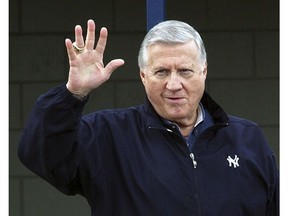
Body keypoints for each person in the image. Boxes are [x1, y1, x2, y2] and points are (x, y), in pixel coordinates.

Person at [18, 19, 279, 216]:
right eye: (162, 72)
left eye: (185, 71)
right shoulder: (107, 135)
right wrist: (72, 94)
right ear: (143, 76)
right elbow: (41, 156)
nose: (174, 84)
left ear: (204, 71)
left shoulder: (247, 138)